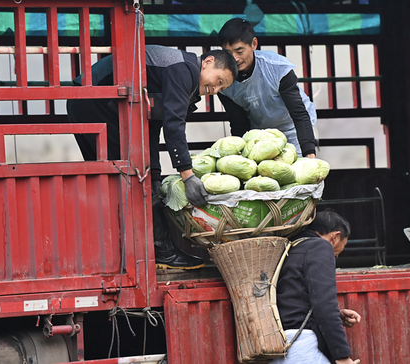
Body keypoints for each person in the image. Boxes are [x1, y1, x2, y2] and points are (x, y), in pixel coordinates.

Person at [67, 45, 238, 269]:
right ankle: (157, 251)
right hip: (95, 100)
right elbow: (173, 125)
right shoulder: (184, 70)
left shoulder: (180, 76)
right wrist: (187, 175)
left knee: (124, 180)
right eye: (218, 80)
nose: (215, 90)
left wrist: (155, 173)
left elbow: (152, 127)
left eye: (221, 87)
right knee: (125, 177)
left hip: (89, 102)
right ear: (207, 62)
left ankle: (126, 254)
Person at [216, 18, 317, 158]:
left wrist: (309, 154)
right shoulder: (223, 82)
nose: (234, 59)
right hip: (258, 137)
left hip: (293, 131)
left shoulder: (277, 68)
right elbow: (239, 124)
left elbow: (299, 114)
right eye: (228, 53)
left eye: (240, 51)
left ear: (254, 44)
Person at [272, 210, 360, 364]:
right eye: (339, 250)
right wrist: (342, 356)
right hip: (302, 346)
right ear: (335, 236)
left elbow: (294, 299)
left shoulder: (288, 248)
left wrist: (338, 315)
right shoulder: (321, 246)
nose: (336, 256)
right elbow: (325, 304)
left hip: (278, 345)